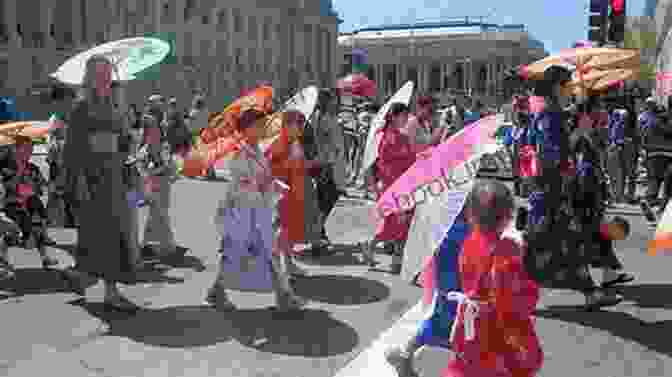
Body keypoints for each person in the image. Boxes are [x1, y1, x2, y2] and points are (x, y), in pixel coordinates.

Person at [61, 55, 141, 312]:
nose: (105, 77)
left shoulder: (117, 106)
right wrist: (78, 181)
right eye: (100, 73)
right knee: (97, 235)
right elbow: (72, 149)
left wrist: (128, 139)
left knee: (116, 233)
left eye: (108, 72)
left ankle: (89, 280)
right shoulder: (81, 107)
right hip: (92, 178)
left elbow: (123, 142)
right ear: (90, 78)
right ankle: (99, 285)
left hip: (115, 176)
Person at [206, 109, 307, 311]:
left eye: (262, 124)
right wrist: (263, 183)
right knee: (236, 254)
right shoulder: (240, 152)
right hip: (243, 213)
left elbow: (262, 178)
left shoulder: (257, 150)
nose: (262, 128)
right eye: (258, 125)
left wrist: (272, 184)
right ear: (246, 129)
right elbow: (240, 183)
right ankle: (218, 291)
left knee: (269, 254)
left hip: (257, 211)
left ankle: (284, 296)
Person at [443, 179, 543, 377]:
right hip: (496, 324)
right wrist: (530, 292)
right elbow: (507, 295)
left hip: (470, 319)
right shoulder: (507, 249)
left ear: (471, 215)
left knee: (471, 366)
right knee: (507, 367)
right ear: (508, 216)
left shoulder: (469, 242)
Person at [386, 210, 471, 377]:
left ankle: (406, 357)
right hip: (461, 291)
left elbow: (436, 260)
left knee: (439, 325)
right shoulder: (469, 232)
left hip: (449, 287)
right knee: (452, 330)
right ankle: (406, 359)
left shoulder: (446, 230)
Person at [362, 103, 426, 273]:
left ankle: (394, 259)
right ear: (394, 116)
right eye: (404, 116)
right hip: (394, 186)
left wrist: (422, 158)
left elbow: (410, 159)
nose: (406, 119)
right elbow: (384, 166)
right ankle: (374, 247)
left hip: (405, 185)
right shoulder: (385, 137)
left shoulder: (402, 137)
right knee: (393, 224)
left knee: (402, 225)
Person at [0, 136, 57, 267]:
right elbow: (9, 187)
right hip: (12, 204)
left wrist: (46, 186)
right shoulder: (7, 168)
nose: (29, 152)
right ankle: (3, 255)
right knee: (19, 234)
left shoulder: (32, 167)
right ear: (16, 150)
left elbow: (42, 186)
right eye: (26, 149)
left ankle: (45, 258)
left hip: (30, 202)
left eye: (31, 148)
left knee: (37, 227)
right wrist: (19, 172)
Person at [139, 131, 187, 259]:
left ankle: (148, 244)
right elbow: (143, 170)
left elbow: (170, 166)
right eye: (150, 135)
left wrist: (172, 171)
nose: (153, 138)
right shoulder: (144, 151)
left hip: (164, 185)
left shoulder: (163, 148)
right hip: (153, 185)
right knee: (159, 215)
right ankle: (167, 246)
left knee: (158, 215)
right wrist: (156, 170)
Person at [311, 89, 347, 252]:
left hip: (326, 164)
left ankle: (320, 234)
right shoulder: (323, 118)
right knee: (327, 201)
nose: (335, 102)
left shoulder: (320, 116)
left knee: (324, 201)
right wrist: (333, 153)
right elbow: (324, 142)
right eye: (332, 99)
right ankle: (317, 236)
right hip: (328, 165)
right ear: (326, 101)